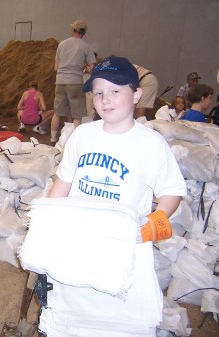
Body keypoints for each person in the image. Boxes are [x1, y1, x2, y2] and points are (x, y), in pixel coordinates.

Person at [38, 56, 186, 337]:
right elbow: (63, 183)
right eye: (98, 93)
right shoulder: (82, 135)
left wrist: (151, 225)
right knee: (72, 316)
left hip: (125, 245)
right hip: (81, 240)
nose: (106, 99)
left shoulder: (150, 143)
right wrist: (47, 225)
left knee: (119, 321)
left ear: (137, 94)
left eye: (115, 91)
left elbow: (172, 191)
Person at [50, 19, 96, 145]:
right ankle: (74, 142)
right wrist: (84, 68)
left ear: (72, 30)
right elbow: (92, 68)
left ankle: (53, 139)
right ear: (84, 33)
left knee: (58, 113)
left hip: (60, 81)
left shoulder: (62, 44)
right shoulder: (86, 47)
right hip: (75, 82)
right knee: (77, 115)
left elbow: (56, 68)